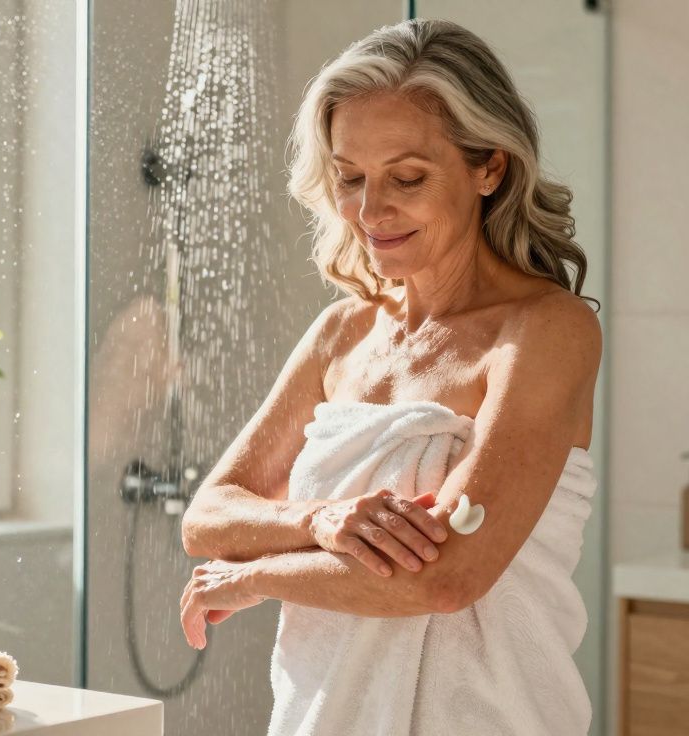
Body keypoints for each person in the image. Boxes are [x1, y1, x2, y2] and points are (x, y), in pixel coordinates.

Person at [178, 18, 602, 736]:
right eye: (349, 178)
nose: (370, 212)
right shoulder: (343, 334)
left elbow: (446, 578)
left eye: (407, 177)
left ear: (489, 168)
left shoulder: (543, 331)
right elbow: (208, 516)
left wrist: (252, 576)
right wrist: (320, 521)